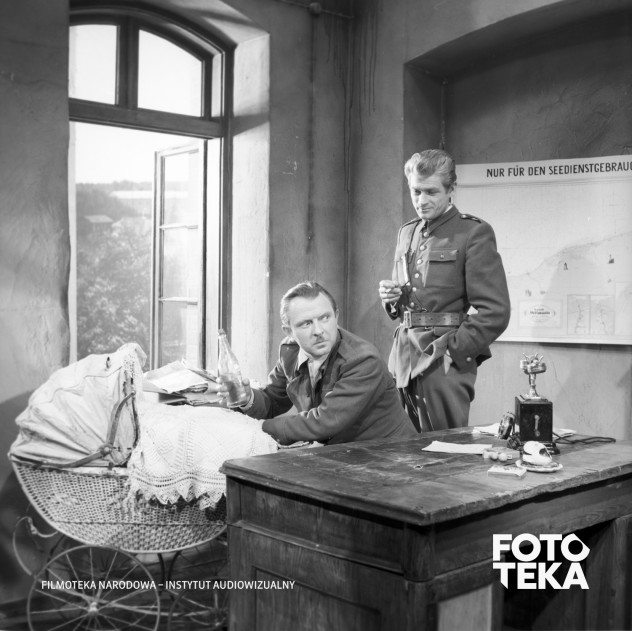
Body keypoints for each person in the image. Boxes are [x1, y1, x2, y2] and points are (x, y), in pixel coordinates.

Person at [378, 149, 510, 432]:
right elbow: (408, 296)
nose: (421, 201)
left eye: (431, 192)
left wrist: (453, 352)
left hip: (442, 359)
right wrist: (391, 299)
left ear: (451, 189)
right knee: (402, 448)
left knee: (444, 449)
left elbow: (496, 312)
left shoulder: (473, 232)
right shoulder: (407, 232)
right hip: (402, 358)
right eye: (415, 191)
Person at [219, 281, 417, 446]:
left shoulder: (363, 360)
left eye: (325, 318)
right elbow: (271, 401)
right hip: (341, 454)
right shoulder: (290, 351)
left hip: (389, 457)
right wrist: (247, 398)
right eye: (306, 323)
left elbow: (324, 421)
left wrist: (256, 428)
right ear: (288, 331)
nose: (319, 331)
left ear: (336, 316)